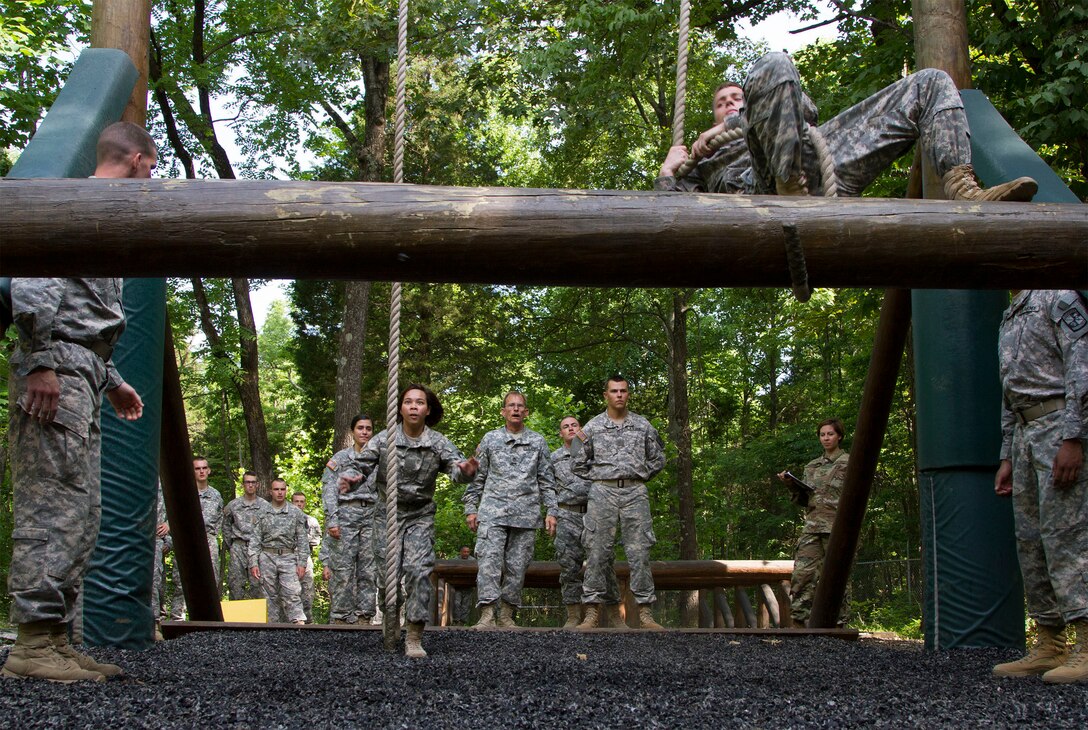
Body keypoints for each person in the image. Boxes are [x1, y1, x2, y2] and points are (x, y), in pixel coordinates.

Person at [1, 121, 151, 683]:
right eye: (152, 168)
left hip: (82, 370)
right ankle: (32, 643)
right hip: (56, 371)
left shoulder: (100, 214)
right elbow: (35, 282)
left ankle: (55, 640)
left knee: (82, 510)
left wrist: (111, 378)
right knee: (54, 507)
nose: (151, 179)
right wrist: (39, 361)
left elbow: (84, 311)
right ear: (137, 159)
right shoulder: (75, 203)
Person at [657, 52, 1036, 203]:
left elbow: (806, 108)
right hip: (763, 184)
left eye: (737, 99)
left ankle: (961, 186)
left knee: (930, 81)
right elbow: (671, 215)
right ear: (711, 118)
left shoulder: (772, 98)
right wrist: (667, 171)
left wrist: (742, 117)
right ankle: (788, 184)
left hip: (822, 159)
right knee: (774, 68)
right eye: (722, 104)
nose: (730, 105)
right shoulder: (706, 159)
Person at [338, 384, 478, 657]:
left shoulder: (437, 442)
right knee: (385, 577)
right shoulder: (383, 439)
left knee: (418, 572)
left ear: (428, 409)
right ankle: (391, 618)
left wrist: (467, 471)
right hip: (386, 515)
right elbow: (360, 466)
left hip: (419, 516)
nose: (414, 406)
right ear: (400, 408)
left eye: (420, 403)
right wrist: (351, 478)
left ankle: (414, 635)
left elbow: (456, 469)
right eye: (408, 402)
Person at [992, 290, 1087, 684]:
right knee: (1030, 538)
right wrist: (1007, 455)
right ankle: (1050, 642)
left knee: (1067, 533)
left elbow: (1081, 366)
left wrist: (1074, 437)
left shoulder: (1059, 297)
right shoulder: (1010, 312)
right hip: (1025, 433)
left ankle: (1086, 640)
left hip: (1059, 424)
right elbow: (1009, 389)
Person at [572, 376, 665, 630]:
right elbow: (576, 461)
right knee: (597, 551)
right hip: (603, 494)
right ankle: (591, 612)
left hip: (635, 493)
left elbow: (658, 458)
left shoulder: (643, 425)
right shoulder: (592, 427)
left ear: (628, 394)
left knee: (640, 552)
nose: (619, 395)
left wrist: (641, 475)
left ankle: (645, 614)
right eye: (614, 391)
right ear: (606, 395)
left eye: (623, 391)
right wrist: (601, 477)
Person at [463, 391, 558, 628]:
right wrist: (470, 508)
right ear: (503, 411)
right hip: (493, 512)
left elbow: (546, 480)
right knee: (489, 563)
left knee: (518, 566)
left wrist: (552, 511)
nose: (515, 409)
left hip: (526, 515)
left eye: (520, 406)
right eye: (511, 406)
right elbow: (478, 476)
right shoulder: (490, 439)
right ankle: (487, 614)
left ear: (526, 412)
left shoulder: (538, 441)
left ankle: (506, 614)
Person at [776, 418, 851, 628]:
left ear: (839, 436)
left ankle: (839, 623)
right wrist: (791, 485)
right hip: (813, 527)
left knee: (837, 575)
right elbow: (804, 500)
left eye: (830, 434)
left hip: (839, 528)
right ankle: (799, 620)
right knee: (802, 574)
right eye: (822, 435)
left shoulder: (849, 463)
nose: (826, 438)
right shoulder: (812, 466)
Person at [552, 415, 621, 629]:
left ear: (581, 430)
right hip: (567, 515)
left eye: (574, 425)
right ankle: (573, 615)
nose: (571, 429)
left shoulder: (595, 455)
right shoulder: (553, 458)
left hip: (596, 514)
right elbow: (547, 488)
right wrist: (551, 514)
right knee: (568, 565)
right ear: (560, 433)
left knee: (604, 562)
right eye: (566, 426)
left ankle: (613, 616)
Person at [321, 414, 379, 625]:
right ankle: (342, 617)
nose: (364, 432)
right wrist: (332, 520)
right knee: (343, 569)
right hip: (345, 516)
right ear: (352, 431)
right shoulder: (340, 459)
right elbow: (328, 491)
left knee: (368, 569)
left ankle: (365, 616)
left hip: (371, 517)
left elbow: (387, 491)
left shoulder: (379, 460)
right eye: (360, 428)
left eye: (368, 428)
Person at [170, 456, 224, 620]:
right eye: (197, 468)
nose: (201, 471)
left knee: (211, 580)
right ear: (192, 471)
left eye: (204, 468)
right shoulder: (183, 492)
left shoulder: (215, 495)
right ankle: (177, 618)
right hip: (186, 540)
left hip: (208, 540)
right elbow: (173, 516)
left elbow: (220, 518)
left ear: (208, 470)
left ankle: (208, 620)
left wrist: (212, 534)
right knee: (182, 580)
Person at [248, 478, 308, 624]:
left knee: (292, 592)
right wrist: (253, 562)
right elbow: (255, 540)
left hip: (288, 556)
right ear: (270, 492)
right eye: (276, 489)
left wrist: (302, 563)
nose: (280, 493)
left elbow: (302, 540)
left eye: (282, 489)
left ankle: (298, 623)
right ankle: (273, 627)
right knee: (269, 595)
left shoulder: (295, 513)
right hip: (267, 556)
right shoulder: (262, 512)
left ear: (286, 491)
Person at [221, 472, 268, 601]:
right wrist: (232, 544)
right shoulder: (233, 505)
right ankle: (235, 620)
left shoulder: (265, 506)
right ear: (243, 485)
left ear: (257, 484)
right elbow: (225, 526)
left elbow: (269, 528)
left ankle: (259, 619)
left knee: (258, 584)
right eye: (247, 482)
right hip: (238, 546)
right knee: (235, 583)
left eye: (253, 482)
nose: (250, 485)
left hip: (258, 549)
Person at [292, 491, 322, 623]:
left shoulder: (311, 521)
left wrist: (300, 539)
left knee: (307, 592)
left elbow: (316, 541)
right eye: (296, 501)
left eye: (301, 501)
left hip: (305, 558)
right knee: (290, 592)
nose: (299, 504)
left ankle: (308, 621)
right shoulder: (285, 519)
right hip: (289, 557)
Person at [151, 483, 171, 641]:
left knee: (154, 581)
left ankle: (154, 624)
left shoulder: (165, 482)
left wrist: (168, 527)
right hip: (132, 535)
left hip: (155, 539)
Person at [452, 545, 476, 625]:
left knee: (466, 605)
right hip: (457, 587)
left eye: (468, 552)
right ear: (461, 552)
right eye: (464, 552)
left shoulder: (473, 561)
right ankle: (456, 620)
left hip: (468, 587)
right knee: (456, 603)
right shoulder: (455, 560)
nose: (466, 553)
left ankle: (462, 622)